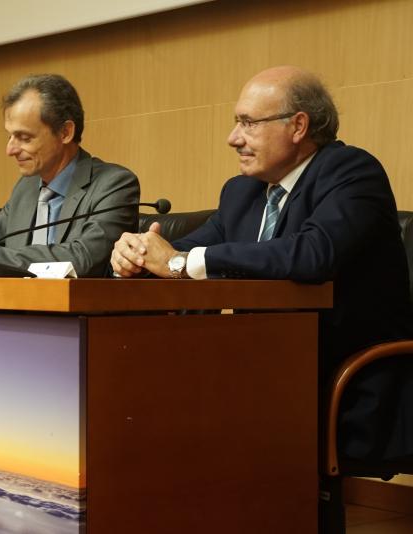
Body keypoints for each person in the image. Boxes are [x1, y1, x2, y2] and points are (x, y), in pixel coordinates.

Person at [111, 65, 413, 462]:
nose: (233, 138)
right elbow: (183, 251)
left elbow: (311, 255)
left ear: (298, 126)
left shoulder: (352, 172)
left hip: (345, 377)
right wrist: (137, 256)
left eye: (248, 123)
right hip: (262, 366)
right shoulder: (242, 192)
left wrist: (180, 261)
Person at [0, 74, 140, 277]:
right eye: (10, 137)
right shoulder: (27, 186)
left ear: (65, 132)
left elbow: (83, 259)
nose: (10, 150)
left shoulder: (114, 184)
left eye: (24, 138)